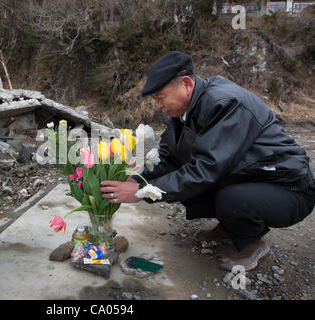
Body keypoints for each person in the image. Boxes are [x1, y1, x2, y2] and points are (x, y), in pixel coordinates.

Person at [100, 51, 315, 271]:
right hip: (249, 176)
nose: (158, 105)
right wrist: (136, 179)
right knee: (182, 183)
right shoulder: (181, 114)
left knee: (226, 197)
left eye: (160, 97)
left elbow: (207, 170)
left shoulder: (226, 104)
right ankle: (230, 226)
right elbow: (167, 158)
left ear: (185, 84)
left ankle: (251, 242)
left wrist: (141, 192)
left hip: (289, 187)